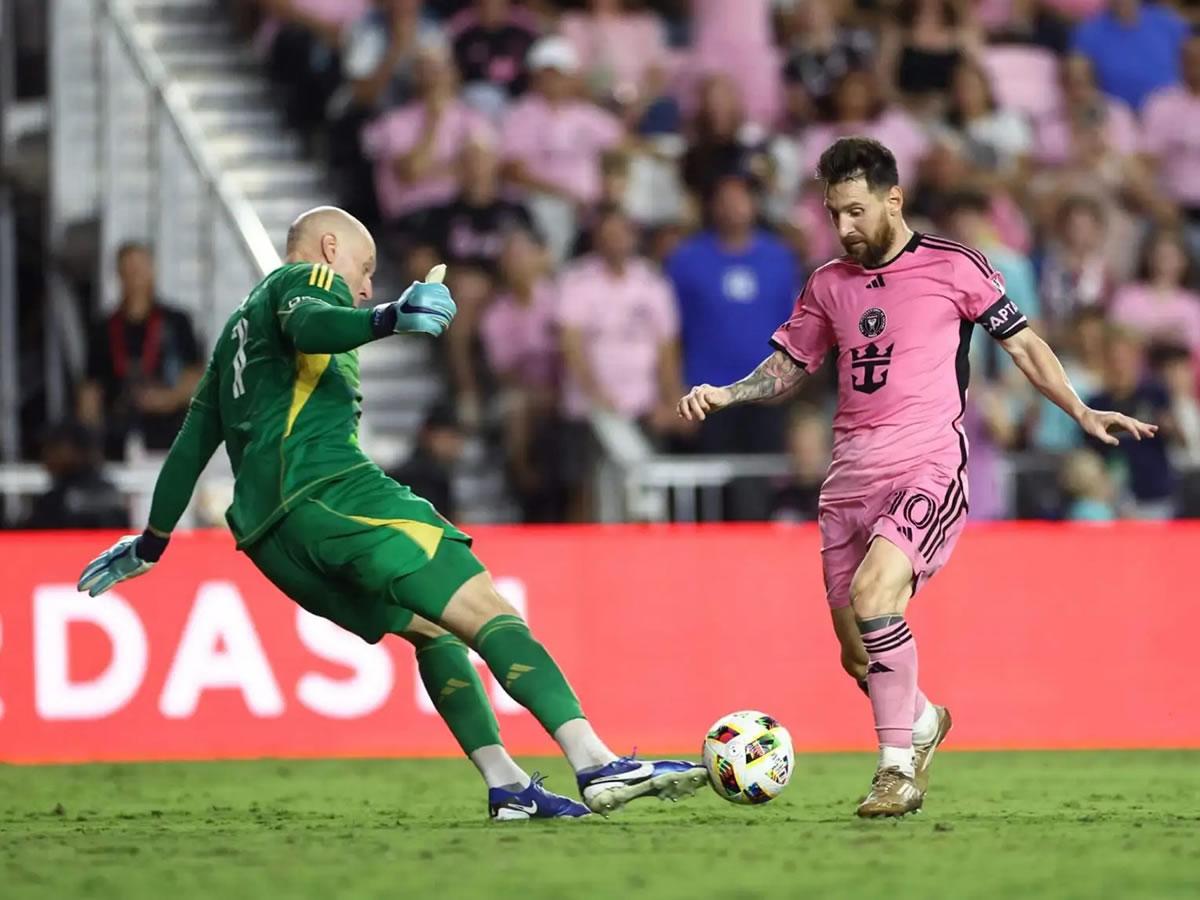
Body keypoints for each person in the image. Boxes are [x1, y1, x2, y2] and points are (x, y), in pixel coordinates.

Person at [77, 206, 707, 821]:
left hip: (272, 541)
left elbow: (192, 441)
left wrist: (152, 542)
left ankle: (508, 785)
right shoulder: (304, 280)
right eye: (365, 264)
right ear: (329, 250)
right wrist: (388, 316)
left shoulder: (234, 339)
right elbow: (311, 324)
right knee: (489, 611)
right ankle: (595, 761)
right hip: (330, 492)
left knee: (430, 631)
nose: (366, 281)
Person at [677, 137, 1157, 818]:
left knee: (877, 597)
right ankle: (923, 721)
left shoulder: (954, 266)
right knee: (857, 655)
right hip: (848, 478)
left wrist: (1077, 408)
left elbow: (1022, 343)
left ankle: (896, 771)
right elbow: (790, 365)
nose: (843, 228)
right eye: (833, 214)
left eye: (855, 211)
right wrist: (731, 392)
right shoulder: (827, 283)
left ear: (893, 199)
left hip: (927, 462)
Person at [78, 242, 204, 460]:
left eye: (140, 268)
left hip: (169, 434)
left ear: (152, 271)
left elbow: (197, 376)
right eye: (128, 269)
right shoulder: (104, 328)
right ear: (118, 274)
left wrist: (167, 399)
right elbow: (91, 390)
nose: (135, 275)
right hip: (116, 435)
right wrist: (89, 442)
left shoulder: (176, 322)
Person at [20, 421, 130, 530]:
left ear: (78, 451)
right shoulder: (112, 493)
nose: (45, 454)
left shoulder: (53, 502)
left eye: (53, 447)